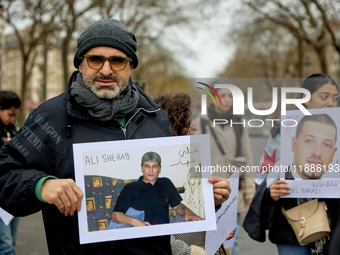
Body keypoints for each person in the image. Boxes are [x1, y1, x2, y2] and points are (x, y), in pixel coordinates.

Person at [0, 19, 182, 255]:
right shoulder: (51, 116)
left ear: (131, 67)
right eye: (96, 59)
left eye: (117, 61)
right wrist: (40, 186)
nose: (106, 70)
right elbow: (5, 173)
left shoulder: (157, 117)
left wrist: (211, 200)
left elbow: (172, 199)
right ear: (80, 64)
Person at [244, 73, 340, 255]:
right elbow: (264, 178)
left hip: (333, 226)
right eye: (324, 96)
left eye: (334, 98)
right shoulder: (283, 131)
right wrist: (271, 193)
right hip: (290, 228)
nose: (330, 103)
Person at [154, 92, 234, 255]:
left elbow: (201, 215)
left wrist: (215, 203)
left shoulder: (192, 161)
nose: (195, 127)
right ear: (173, 127)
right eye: (188, 124)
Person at [193, 81, 255, 255]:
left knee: (231, 243)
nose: (226, 99)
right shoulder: (200, 123)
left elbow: (248, 159)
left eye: (230, 96)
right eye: (222, 95)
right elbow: (193, 159)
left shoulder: (239, 123)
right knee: (206, 244)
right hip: (208, 195)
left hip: (233, 193)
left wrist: (250, 192)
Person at [112, 151, 202, 227]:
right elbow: (115, 215)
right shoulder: (130, 188)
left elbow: (177, 206)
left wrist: (187, 211)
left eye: (154, 166)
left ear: (159, 169)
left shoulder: (166, 183)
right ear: (142, 168)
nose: (150, 170)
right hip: (138, 234)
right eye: (147, 166)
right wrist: (135, 222)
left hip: (162, 235)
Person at [0, 91, 21, 255]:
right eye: (9, 114)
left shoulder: (14, 130)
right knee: (5, 245)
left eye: (15, 115)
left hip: (13, 194)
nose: (12, 118)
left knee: (11, 242)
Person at [287, 114, 337, 180]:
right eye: (309, 141)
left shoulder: (334, 189)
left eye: (326, 145)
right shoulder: (272, 186)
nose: (317, 153)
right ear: (294, 145)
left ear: (333, 153)